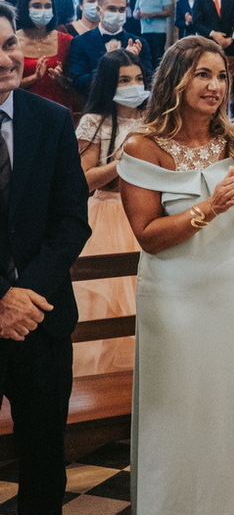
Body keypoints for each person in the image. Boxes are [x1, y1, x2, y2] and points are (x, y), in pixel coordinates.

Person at [118, 36, 234, 515]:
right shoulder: (143, 147)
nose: (215, 86)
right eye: (202, 74)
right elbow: (148, 236)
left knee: (232, 401)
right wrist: (210, 206)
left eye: (222, 76)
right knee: (180, 407)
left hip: (230, 286)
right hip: (175, 293)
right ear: (176, 79)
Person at [0, 2, 91, 515]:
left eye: (9, 44)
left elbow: (71, 219)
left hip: (42, 318)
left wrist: (25, 294)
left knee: (43, 453)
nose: (4, 59)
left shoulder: (51, 119)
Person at [74, 50, 148, 376]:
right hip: (109, 211)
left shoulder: (152, 120)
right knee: (111, 298)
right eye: (124, 80)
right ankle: (110, 375)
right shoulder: (96, 122)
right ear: (109, 84)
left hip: (148, 209)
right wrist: (121, 163)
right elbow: (83, 180)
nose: (134, 86)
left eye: (138, 79)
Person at [67, 0, 149, 95]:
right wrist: (113, 63)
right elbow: (79, 83)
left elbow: (149, 79)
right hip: (98, 102)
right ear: (98, 10)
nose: (117, 13)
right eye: (111, 8)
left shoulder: (138, 42)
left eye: (121, 9)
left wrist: (133, 61)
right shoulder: (80, 42)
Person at [15, 0, 79, 110]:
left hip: (59, 109)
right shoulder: (12, 41)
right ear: (24, 8)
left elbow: (76, 83)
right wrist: (34, 78)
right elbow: (5, 86)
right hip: (23, 109)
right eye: (37, 6)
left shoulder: (67, 40)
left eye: (48, 6)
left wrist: (62, 79)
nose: (43, 11)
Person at [132, 0, 173, 68]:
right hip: (145, 31)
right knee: (146, 56)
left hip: (158, 32)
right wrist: (137, 14)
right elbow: (135, 11)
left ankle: (159, 74)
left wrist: (152, 15)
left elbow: (169, 12)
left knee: (158, 56)